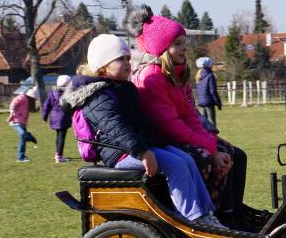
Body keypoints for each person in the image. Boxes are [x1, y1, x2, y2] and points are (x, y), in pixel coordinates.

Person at [60, 34, 225, 228]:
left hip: (138, 147)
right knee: (175, 165)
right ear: (103, 65)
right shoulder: (98, 96)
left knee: (186, 159)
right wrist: (143, 152)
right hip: (120, 153)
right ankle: (193, 219)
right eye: (120, 59)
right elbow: (115, 128)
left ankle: (206, 213)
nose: (127, 62)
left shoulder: (122, 88)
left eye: (128, 58)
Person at [127, 6, 251, 230]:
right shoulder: (153, 77)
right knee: (203, 158)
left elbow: (191, 115)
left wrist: (211, 142)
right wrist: (210, 150)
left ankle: (231, 213)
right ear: (161, 49)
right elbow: (169, 126)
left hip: (180, 136)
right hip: (164, 139)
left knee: (236, 154)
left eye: (184, 42)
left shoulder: (177, 73)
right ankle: (206, 218)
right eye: (177, 43)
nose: (184, 47)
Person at [42, 74, 72, 163]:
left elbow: (46, 105)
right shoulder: (67, 94)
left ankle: (57, 154)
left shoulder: (52, 93)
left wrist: (44, 117)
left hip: (54, 118)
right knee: (61, 137)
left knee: (58, 136)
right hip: (63, 118)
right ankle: (59, 156)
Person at [8, 87, 38, 162]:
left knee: (22, 140)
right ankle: (29, 136)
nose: (33, 101)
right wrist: (11, 113)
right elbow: (13, 103)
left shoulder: (29, 101)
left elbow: (32, 110)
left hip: (23, 123)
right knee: (23, 134)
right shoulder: (22, 97)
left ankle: (21, 157)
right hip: (15, 121)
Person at [195, 56, 222, 127]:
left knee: (203, 124)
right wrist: (218, 103)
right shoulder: (210, 75)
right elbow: (213, 91)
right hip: (209, 102)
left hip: (200, 102)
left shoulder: (198, 76)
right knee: (211, 123)